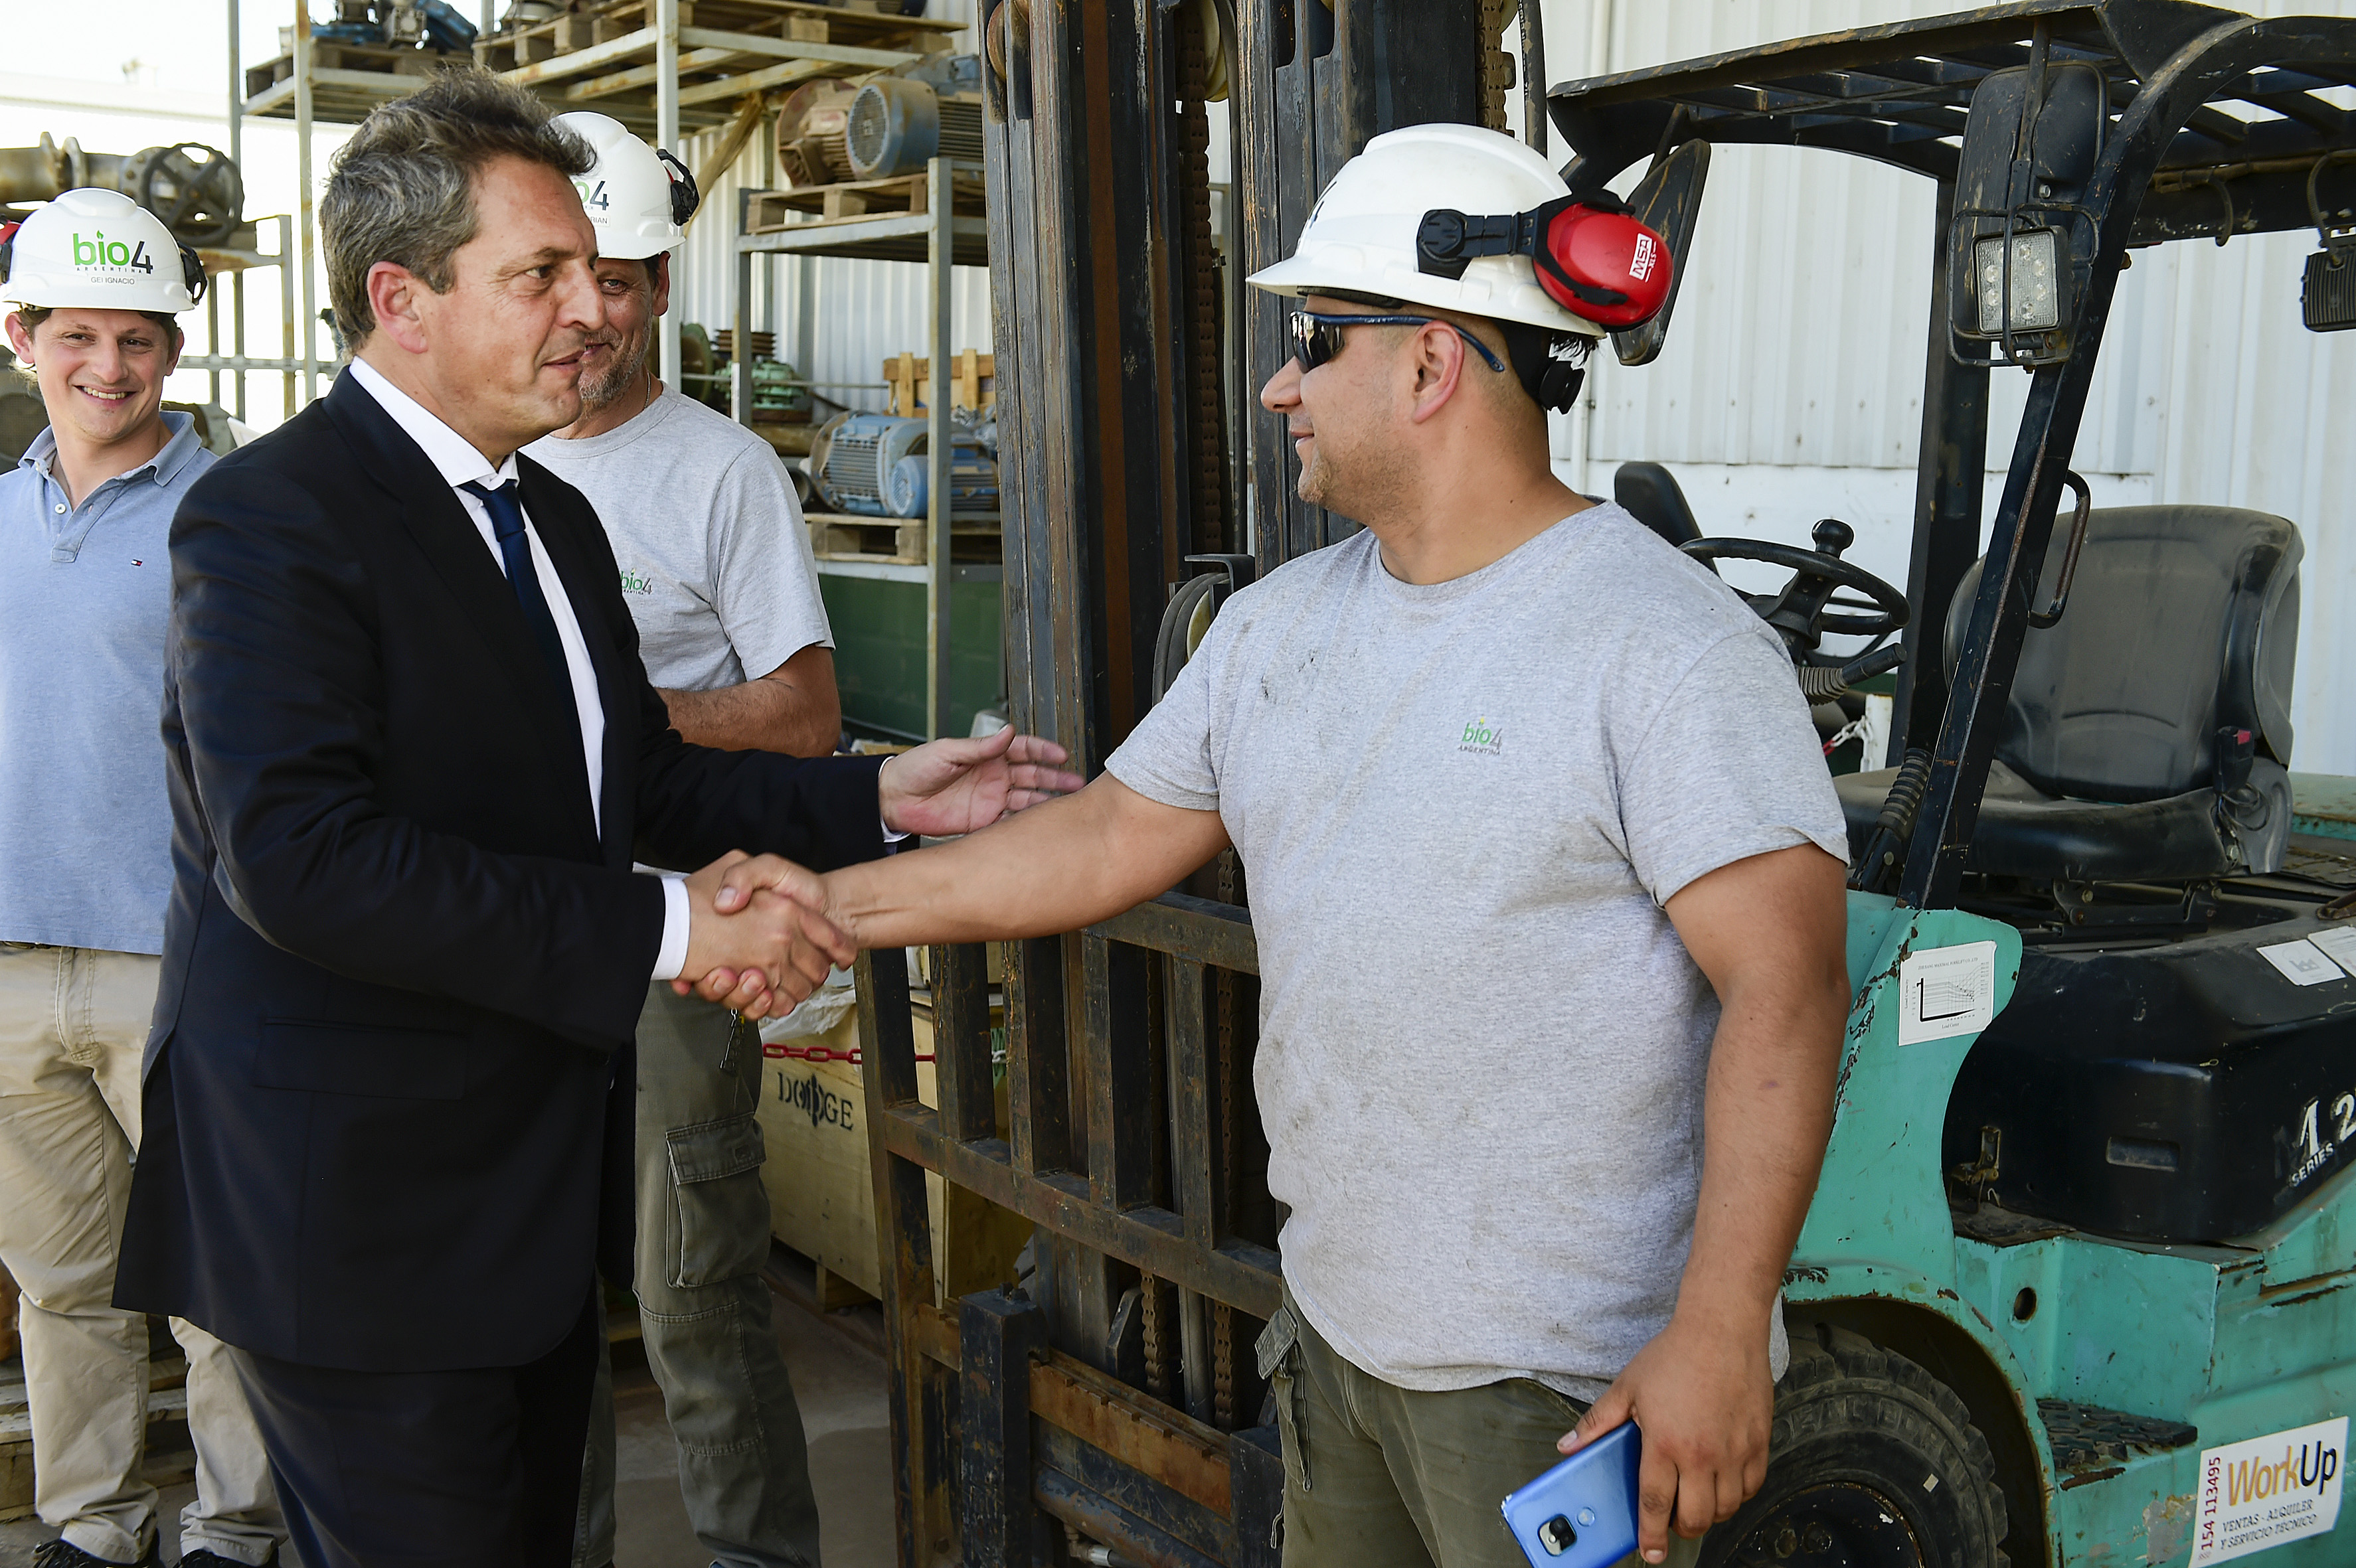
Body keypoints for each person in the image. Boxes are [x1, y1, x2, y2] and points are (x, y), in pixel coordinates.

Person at [698, 123, 1853, 1568]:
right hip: (1338, 1331)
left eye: (1315, 338)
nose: (1277, 382)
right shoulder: (1277, 627)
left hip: (1552, 1386)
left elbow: (1788, 989)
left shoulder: (1664, 649)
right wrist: (824, 902)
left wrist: (1717, 1328)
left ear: (1431, 365)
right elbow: (1109, 834)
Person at [107, 72, 1079, 1568]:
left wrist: (875, 791)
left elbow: (634, 781)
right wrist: (683, 923)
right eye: (541, 274)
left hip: (522, 1179)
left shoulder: (541, 511)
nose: (596, 308)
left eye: (602, 273)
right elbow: (302, 863)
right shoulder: (274, 517)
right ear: (402, 298)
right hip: (357, 1211)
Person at [524, 112, 837, 1568]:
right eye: (570, 274)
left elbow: (804, 714)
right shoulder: (475, 469)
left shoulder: (721, 472)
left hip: (679, 960)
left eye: (635, 278)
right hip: (513, 947)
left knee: (696, 1295)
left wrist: (617, 722)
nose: (600, 311)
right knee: (526, 1313)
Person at [0, 189, 287, 1568]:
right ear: (20, 337)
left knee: (220, 1285)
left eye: (137, 339)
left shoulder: (232, 512)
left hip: (182, 956)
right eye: (75, 335)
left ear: (176, 347)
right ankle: (95, 1530)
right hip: (10, 965)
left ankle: (236, 1531)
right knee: (61, 1286)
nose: (106, 367)